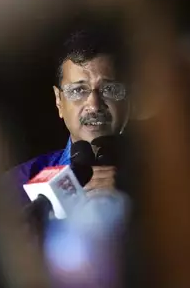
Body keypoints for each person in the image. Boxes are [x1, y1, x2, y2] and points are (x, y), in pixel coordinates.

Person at [10, 27, 131, 194]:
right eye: (78, 91)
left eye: (109, 89)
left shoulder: (166, 175)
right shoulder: (19, 185)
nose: (94, 105)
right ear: (59, 101)